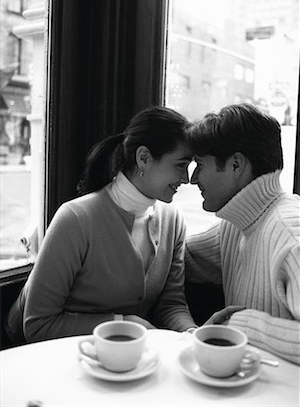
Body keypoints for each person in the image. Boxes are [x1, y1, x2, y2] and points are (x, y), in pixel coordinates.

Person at [6, 107, 198, 343]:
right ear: (144, 158)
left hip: (126, 361)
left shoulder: (173, 220)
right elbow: (37, 324)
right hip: (57, 358)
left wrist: (191, 334)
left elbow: (171, 304)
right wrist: (122, 324)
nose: (187, 179)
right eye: (181, 165)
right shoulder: (75, 219)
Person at [185, 103, 300, 365]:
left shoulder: (291, 232)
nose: (192, 179)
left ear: (236, 165)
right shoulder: (237, 225)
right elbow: (179, 258)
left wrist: (241, 325)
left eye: (200, 165)